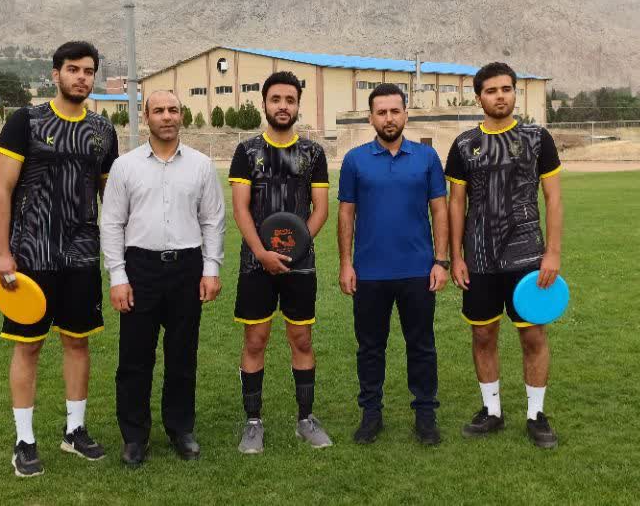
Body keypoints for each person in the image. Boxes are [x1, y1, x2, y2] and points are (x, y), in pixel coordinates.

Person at [0, 41, 116, 477]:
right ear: (55, 74)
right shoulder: (25, 121)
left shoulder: (102, 131)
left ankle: (74, 431)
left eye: (89, 71)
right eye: (73, 69)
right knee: (28, 346)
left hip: (81, 254)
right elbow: (2, 190)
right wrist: (3, 253)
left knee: (78, 342)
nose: (82, 77)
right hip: (31, 254)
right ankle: (24, 440)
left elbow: (111, 197)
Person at [101, 90, 225, 467]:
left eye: (173, 110)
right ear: (146, 117)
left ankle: (180, 429)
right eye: (159, 110)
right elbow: (112, 223)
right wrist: (118, 276)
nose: (167, 116)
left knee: (182, 356)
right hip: (140, 268)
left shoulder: (201, 165)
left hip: (187, 267)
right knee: (135, 358)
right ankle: (134, 437)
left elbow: (212, 220)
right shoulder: (125, 167)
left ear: (181, 115)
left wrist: (211, 269)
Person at [444, 62, 564, 449]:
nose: (500, 96)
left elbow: (553, 198)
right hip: (479, 259)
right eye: (492, 90)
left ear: (515, 92)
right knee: (483, 334)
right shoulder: (464, 145)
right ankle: (491, 411)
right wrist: (456, 257)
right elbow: (456, 203)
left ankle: (536, 415)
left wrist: (552, 253)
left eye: (506, 89)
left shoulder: (537, 138)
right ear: (479, 97)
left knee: (533, 335)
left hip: (528, 257)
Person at [337, 83, 450, 446]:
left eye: (395, 111)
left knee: (422, 346)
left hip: (418, 271)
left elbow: (440, 210)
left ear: (406, 114)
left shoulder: (427, 158)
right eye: (381, 112)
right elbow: (346, 213)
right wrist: (345, 263)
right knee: (370, 349)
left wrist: (441, 261)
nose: (389, 118)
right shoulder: (355, 160)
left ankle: (425, 415)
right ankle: (371, 414)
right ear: (371, 118)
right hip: (369, 273)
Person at [228, 71, 333, 453]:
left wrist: (296, 249)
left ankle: (305, 420)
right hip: (255, 263)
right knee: (255, 340)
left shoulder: (313, 153)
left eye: (290, 100)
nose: (283, 106)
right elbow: (241, 208)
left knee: (301, 338)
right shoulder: (247, 151)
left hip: (299, 265)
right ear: (265, 104)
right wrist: (261, 252)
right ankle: (253, 422)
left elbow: (320, 209)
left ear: (298, 105)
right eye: (276, 99)